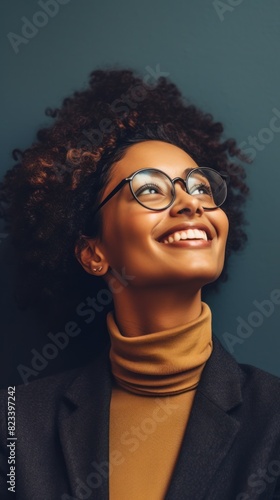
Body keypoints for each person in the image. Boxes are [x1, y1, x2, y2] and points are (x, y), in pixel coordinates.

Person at [0, 69, 280, 500]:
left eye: (200, 187)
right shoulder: (16, 422)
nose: (190, 203)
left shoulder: (273, 418)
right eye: (151, 189)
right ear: (93, 253)